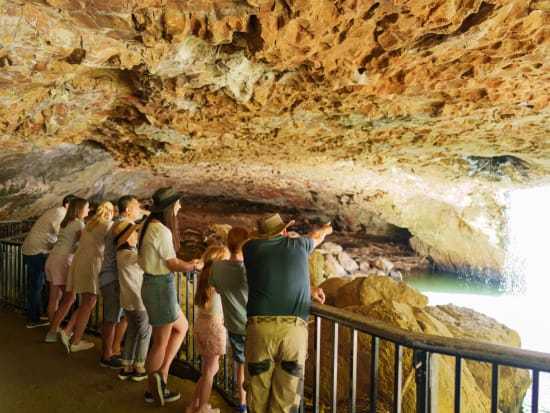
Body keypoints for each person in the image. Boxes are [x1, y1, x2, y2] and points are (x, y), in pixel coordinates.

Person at [242, 213, 332, 413]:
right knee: (286, 401)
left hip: (260, 331)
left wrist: (308, 288)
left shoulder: (250, 249)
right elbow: (317, 236)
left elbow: (273, 276)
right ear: (284, 231)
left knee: (257, 397)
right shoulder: (299, 246)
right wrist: (327, 228)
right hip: (292, 332)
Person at [137, 187, 203, 406]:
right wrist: (193, 267)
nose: (180, 206)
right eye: (177, 204)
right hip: (160, 286)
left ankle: (161, 376)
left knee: (181, 327)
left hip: (153, 283)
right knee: (160, 341)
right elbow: (172, 263)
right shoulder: (161, 231)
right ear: (169, 207)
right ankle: (152, 389)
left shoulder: (149, 226)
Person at [98, 195, 148, 369]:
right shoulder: (120, 225)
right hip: (112, 277)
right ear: (128, 210)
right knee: (111, 319)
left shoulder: (124, 225)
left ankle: (115, 350)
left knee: (124, 317)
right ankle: (106, 355)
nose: (139, 210)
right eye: (137, 207)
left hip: (118, 278)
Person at [60, 201, 114, 353]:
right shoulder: (107, 225)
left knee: (87, 302)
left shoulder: (90, 223)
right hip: (92, 264)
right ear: (110, 212)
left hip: (80, 262)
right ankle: (76, 342)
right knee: (89, 301)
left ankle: (67, 331)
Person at [209, 227, 250, 413]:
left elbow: (216, 289)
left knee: (241, 363)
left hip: (233, 324)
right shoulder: (249, 270)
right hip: (253, 325)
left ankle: (243, 403)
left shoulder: (217, 267)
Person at [22, 194, 76, 328]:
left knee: (37, 285)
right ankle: (54, 320)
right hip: (38, 252)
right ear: (68, 206)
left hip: (30, 250)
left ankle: (34, 317)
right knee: (58, 286)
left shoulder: (56, 212)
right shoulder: (60, 213)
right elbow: (62, 235)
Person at [187, 244, 230, 413]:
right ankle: (203, 407)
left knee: (208, 370)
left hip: (202, 324)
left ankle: (194, 405)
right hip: (214, 327)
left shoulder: (203, 276)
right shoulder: (220, 281)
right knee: (210, 371)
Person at [44, 197, 89, 343]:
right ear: (80, 209)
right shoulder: (78, 223)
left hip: (52, 258)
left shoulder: (65, 222)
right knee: (70, 297)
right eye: (87, 207)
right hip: (62, 261)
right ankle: (52, 331)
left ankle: (53, 329)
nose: (88, 210)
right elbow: (83, 244)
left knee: (54, 297)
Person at [113, 220, 150, 382]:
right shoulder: (130, 255)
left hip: (127, 301)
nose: (136, 235)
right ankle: (139, 367)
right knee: (145, 333)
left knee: (132, 332)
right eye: (134, 233)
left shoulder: (120, 254)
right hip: (139, 301)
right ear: (127, 238)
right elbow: (147, 261)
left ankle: (126, 366)